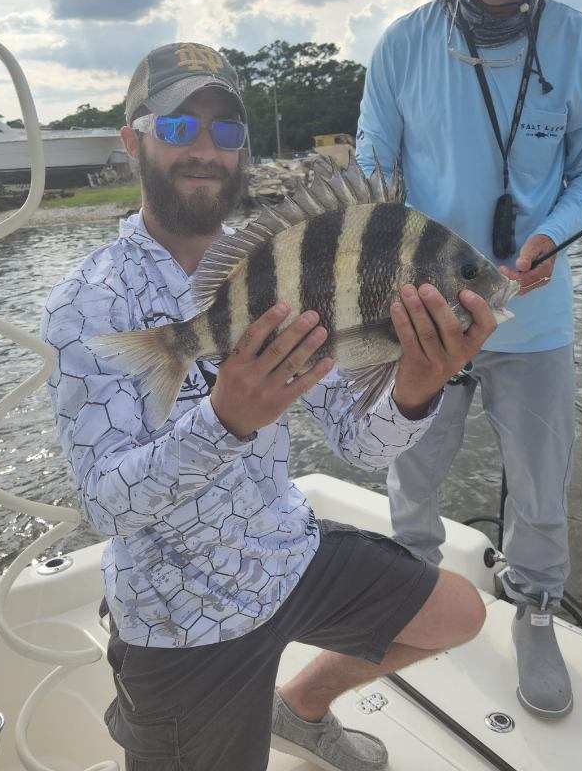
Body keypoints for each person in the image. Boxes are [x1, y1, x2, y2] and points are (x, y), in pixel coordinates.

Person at [41, 42, 500, 771]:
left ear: (242, 152)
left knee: (460, 613)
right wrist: (224, 421)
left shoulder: (270, 263)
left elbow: (361, 445)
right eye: (176, 126)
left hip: (284, 554)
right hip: (178, 612)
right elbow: (107, 508)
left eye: (225, 132)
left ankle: (300, 706)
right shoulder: (87, 303)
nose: (204, 150)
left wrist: (417, 381)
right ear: (132, 140)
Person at [357, 0, 582, 719]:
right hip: (426, 311)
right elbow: (374, 162)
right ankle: (409, 584)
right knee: (410, 463)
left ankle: (535, 605)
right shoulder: (401, 47)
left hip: (532, 310)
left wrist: (551, 235)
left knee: (543, 475)